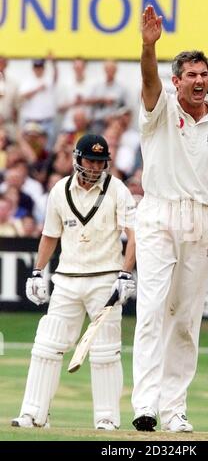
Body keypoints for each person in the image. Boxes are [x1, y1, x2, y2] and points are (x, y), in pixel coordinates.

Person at [132, 5, 208, 433]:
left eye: (204, 74)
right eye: (190, 75)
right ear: (176, 80)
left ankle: (175, 408)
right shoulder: (159, 108)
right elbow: (147, 80)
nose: (199, 81)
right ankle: (146, 405)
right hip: (159, 213)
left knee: (186, 317)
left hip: (200, 220)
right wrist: (148, 47)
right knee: (154, 309)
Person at [11, 133, 136, 430]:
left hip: (105, 278)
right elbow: (50, 236)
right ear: (76, 159)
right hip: (67, 279)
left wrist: (125, 273)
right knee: (46, 345)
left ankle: (107, 418)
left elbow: (134, 236)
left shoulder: (117, 190)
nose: (94, 167)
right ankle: (33, 413)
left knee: (105, 351)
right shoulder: (59, 190)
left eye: (100, 162)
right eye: (90, 161)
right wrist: (37, 271)